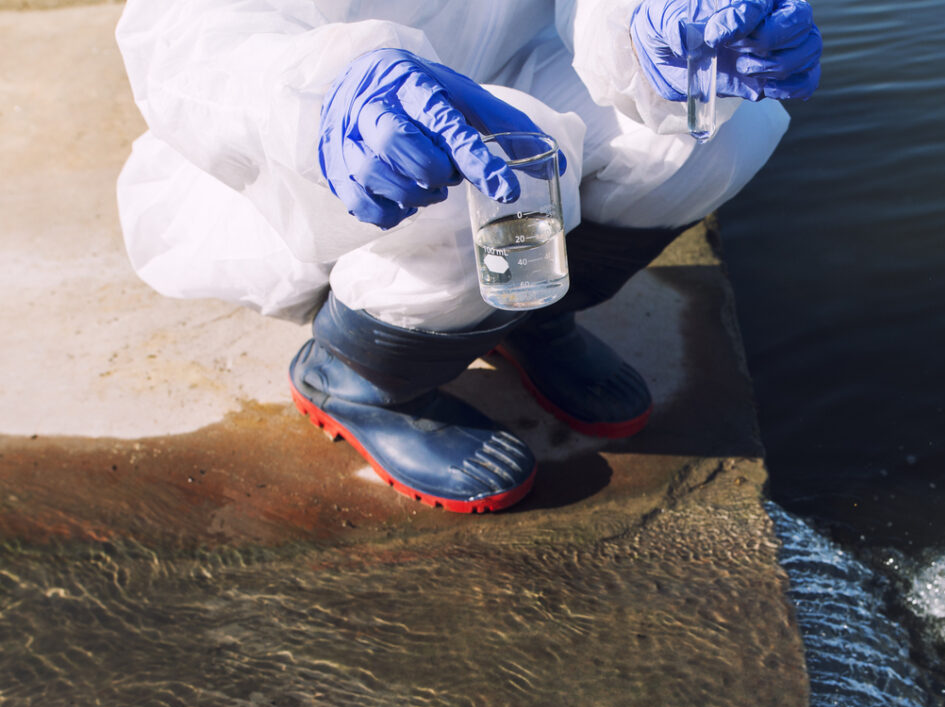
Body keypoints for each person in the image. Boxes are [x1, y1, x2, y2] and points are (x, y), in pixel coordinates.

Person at [115, 0, 821, 513]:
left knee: (713, 125)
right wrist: (330, 95)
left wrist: (663, 25)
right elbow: (182, 38)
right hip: (315, 134)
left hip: (509, 70)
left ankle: (527, 317)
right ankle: (359, 376)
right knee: (475, 169)